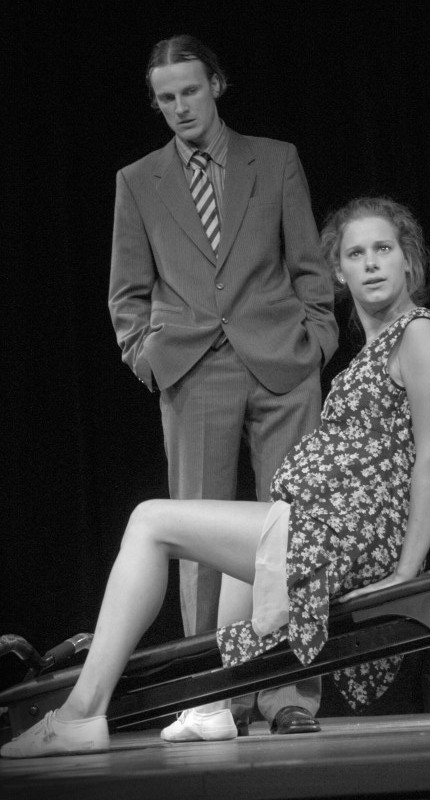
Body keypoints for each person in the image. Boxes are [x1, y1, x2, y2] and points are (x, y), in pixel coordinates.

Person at [0, 196, 430, 758]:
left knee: (149, 521)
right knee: (247, 539)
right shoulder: (383, 347)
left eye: (384, 249)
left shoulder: (420, 333)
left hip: (348, 535)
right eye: (356, 253)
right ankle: (214, 706)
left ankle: (81, 713)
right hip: (324, 524)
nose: (371, 263)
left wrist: (419, 575)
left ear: (408, 262)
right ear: (338, 272)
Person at [107, 35, 338, 734]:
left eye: (189, 91)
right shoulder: (137, 180)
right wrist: (144, 356)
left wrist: (317, 341)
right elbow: (126, 292)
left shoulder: (276, 159)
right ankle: (217, 696)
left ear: (216, 85)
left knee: (291, 529)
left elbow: (309, 264)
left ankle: (289, 693)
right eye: (166, 97)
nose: (180, 106)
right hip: (191, 367)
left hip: (280, 361)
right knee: (202, 544)